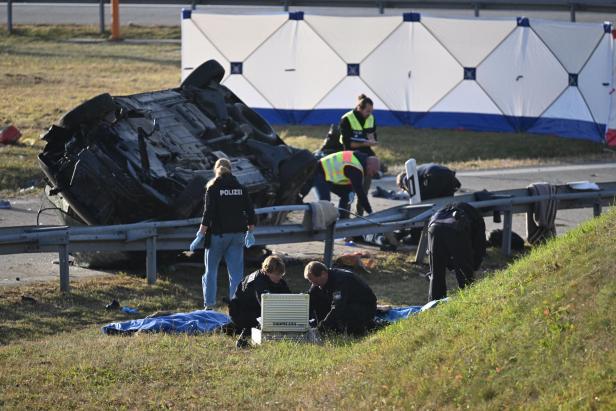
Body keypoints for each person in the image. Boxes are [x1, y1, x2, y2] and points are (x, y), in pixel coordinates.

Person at [200, 158, 256, 309]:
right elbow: (250, 212)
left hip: (218, 236)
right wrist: (250, 232)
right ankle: (236, 305)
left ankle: (209, 306)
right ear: (231, 170)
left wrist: (200, 234)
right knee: (236, 274)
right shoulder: (241, 188)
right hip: (237, 236)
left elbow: (208, 214)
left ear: (216, 170)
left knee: (210, 272)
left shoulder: (213, 188)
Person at [427, 202, 486, 302]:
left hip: (433, 227)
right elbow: (479, 244)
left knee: (436, 273)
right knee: (464, 272)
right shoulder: (477, 218)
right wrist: (474, 266)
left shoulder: (447, 208)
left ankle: (434, 304)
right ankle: (468, 301)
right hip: (455, 227)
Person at [229, 255, 291, 348]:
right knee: (260, 321)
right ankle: (243, 336)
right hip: (241, 312)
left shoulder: (278, 280)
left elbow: (289, 298)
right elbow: (265, 305)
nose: (279, 277)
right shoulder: (259, 281)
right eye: (277, 275)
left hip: (254, 309)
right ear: (268, 271)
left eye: (281, 274)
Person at [304, 261, 377, 335]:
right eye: (312, 282)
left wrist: (321, 328)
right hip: (345, 304)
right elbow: (309, 301)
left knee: (343, 323)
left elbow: (337, 307)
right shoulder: (318, 283)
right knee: (316, 296)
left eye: (315, 282)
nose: (314, 284)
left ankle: (367, 326)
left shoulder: (341, 280)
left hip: (364, 307)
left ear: (323, 274)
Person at [339, 94, 379, 215]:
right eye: (367, 111)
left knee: (364, 190)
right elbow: (348, 144)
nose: (369, 114)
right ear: (359, 108)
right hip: (350, 157)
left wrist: (371, 141)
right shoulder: (347, 119)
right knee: (349, 191)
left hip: (366, 157)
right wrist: (365, 143)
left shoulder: (371, 118)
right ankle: (345, 216)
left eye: (371, 111)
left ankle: (359, 215)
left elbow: (372, 136)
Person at [313, 150, 379, 219]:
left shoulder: (359, 161)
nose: (371, 175)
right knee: (325, 200)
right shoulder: (356, 167)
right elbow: (360, 193)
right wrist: (370, 212)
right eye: (373, 172)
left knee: (346, 195)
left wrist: (350, 191)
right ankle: (320, 223)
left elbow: (349, 182)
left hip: (329, 176)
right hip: (319, 172)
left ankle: (342, 220)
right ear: (369, 164)